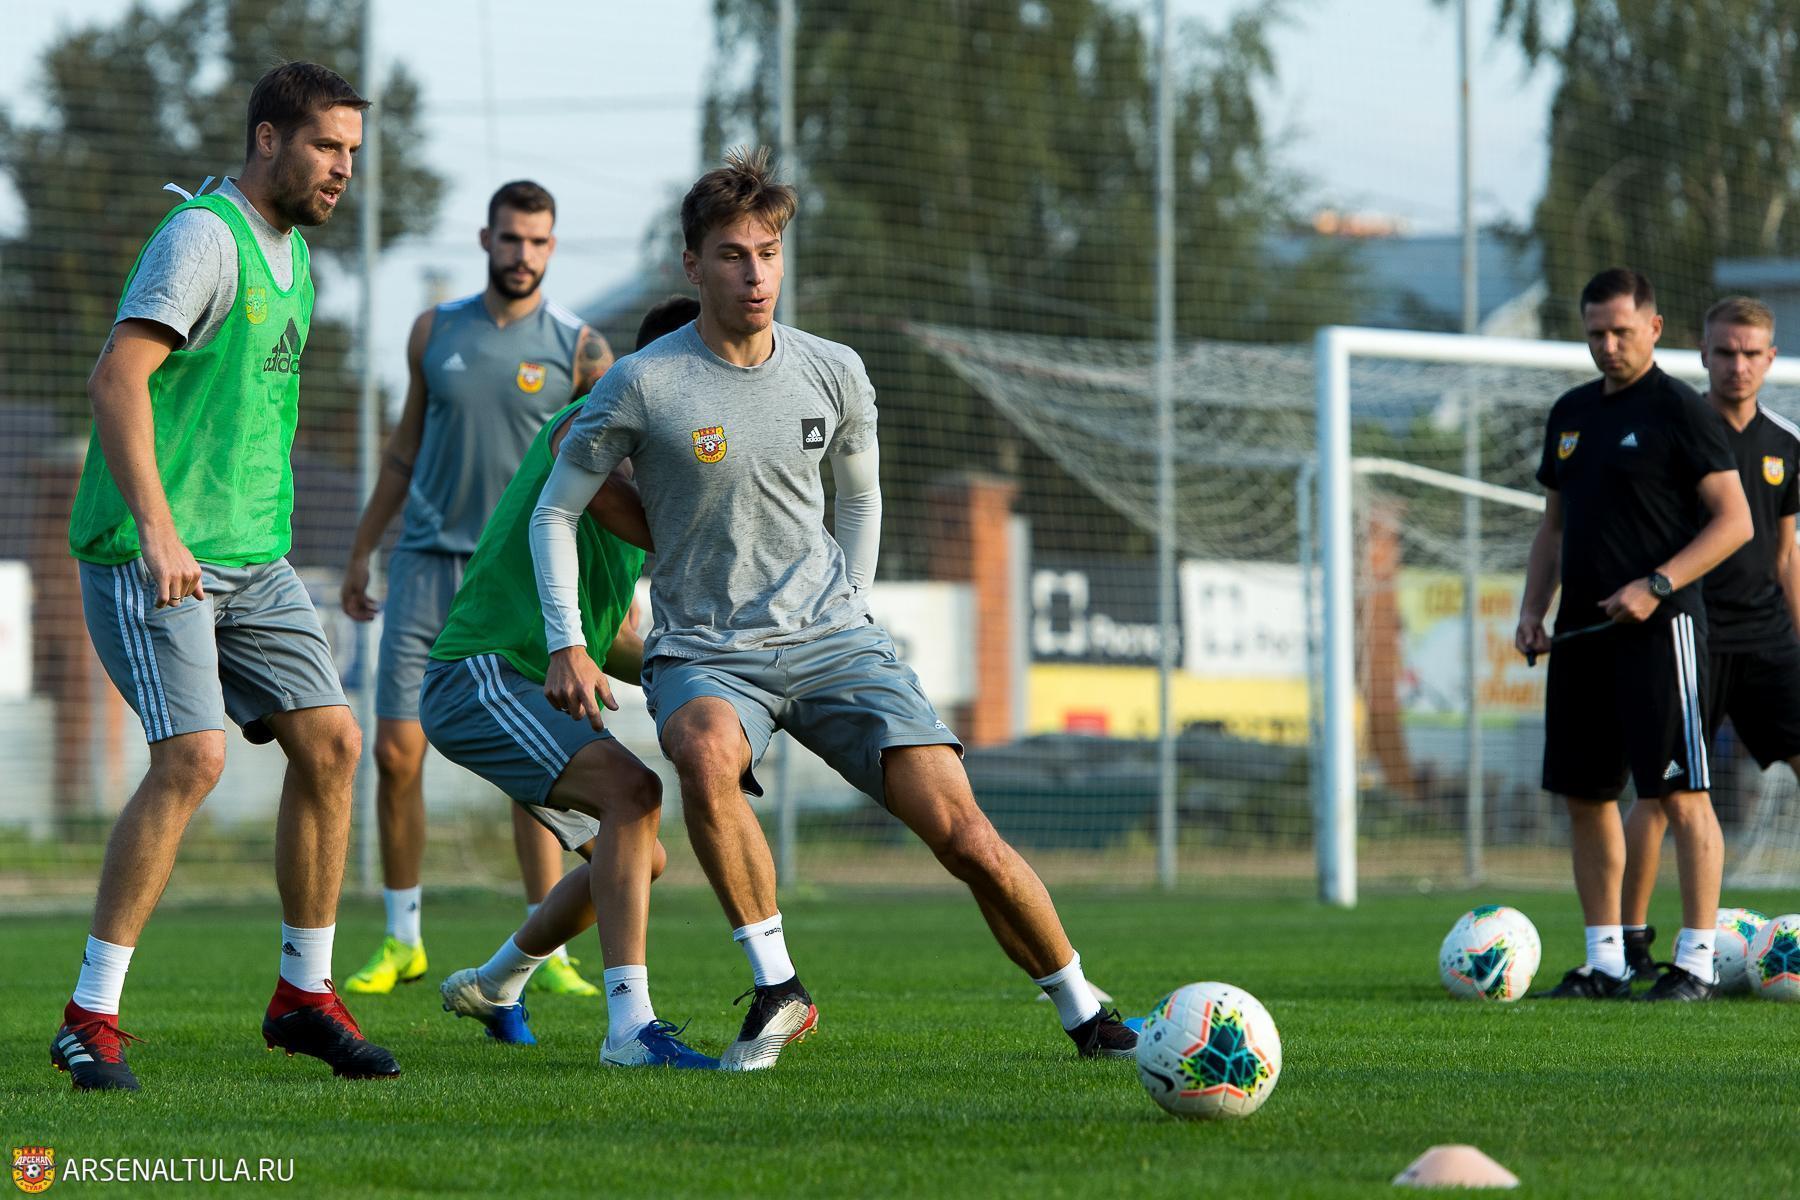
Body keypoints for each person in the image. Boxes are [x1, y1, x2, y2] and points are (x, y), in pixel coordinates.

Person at [530, 148, 1137, 1070]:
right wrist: (567, 643)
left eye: (769, 253)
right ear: (693, 266)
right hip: (707, 652)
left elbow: (860, 498)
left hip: (836, 644)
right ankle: (778, 986)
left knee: (966, 837)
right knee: (701, 750)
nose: (755, 273)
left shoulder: (834, 370)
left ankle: (1087, 1014)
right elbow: (556, 510)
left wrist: (850, 602)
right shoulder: (645, 381)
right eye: (733, 255)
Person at [54, 62, 397, 1091]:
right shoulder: (205, 237)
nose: (343, 169)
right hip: (155, 552)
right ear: (267, 139)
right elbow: (117, 379)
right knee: (194, 758)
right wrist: (160, 534)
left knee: (334, 744)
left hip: (254, 556)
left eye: (352, 152)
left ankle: (303, 998)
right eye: (326, 146)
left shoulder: (296, 258)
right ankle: (88, 1017)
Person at [339, 181, 615, 998]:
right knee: (394, 753)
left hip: (517, 582)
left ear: (551, 247)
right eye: (509, 238)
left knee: (535, 761)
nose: (522, 253)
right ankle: (403, 939)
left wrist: (615, 589)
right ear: (486, 239)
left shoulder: (581, 349)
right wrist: (362, 550)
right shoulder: (434, 331)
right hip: (426, 568)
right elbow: (402, 450)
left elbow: (607, 475)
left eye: (537, 240)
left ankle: (547, 949)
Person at [423, 296, 713, 1067]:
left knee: (640, 854)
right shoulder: (593, 423)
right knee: (634, 795)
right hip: (483, 674)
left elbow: (610, 639)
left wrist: (702, 677)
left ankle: (496, 984)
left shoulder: (648, 477)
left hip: (530, 685)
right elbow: (575, 452)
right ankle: (630, 1031)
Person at [1515, 268, 1751, 1003]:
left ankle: (1697, 962)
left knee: (1681, 796)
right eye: (1596, 334)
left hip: (1662, 634)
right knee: (1585, 796)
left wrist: (1656, 586)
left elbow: (1735, 522)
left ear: (1653, 327)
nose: (1608, 345)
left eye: (1621, 331)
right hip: (1581, 637)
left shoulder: (1681, 411)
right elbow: (1554, 529)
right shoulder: (1571, 413)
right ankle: (1607, 962)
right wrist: (1532, 610)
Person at [1620, 297, 1800, 983]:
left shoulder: (1786, 444)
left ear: (1771, 359)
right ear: (1702, 353)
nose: (1737, 365)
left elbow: (1785, 553)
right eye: (1725, 351)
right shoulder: (1675, 430)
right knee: (1660, 792)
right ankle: (1632, 942)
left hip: (1766, 639)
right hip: (1687, 635)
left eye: (1751, 353)